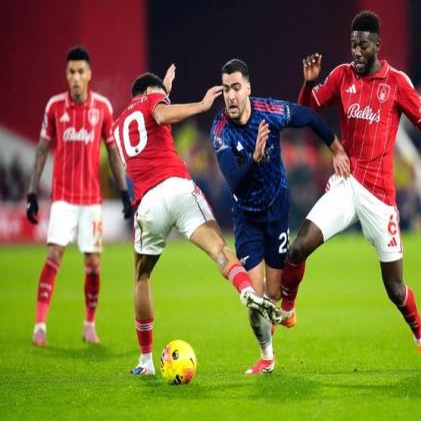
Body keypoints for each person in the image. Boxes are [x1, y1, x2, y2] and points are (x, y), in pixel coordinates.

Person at [280, 11, 421, 372]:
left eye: (363, 45)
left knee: (395, 289)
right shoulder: (341, 76)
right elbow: (305, 112)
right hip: (347, 183)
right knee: (298, 248)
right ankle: (288, 309)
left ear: (377, 44)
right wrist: (308, 84)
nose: (357, 51)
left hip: (380, 198)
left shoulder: (397, 83)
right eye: (353, 45)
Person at [112, 66, 279, 376]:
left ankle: (145, 362)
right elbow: (160, 113)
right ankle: (247, 290)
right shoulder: (152, 102)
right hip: (178, 187)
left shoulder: (118, 126)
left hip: (148, 204)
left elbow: (147, 124)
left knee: (141, 276)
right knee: (220, 251)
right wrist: (201, 106)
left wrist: (164, 91)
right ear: (149, 94)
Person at [210, 59, 350, 374]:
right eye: (226, 89)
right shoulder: (220, 129)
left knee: (273, 292)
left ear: (248, 88)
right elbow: (234, 182)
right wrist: (255, 157)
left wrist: (336, 148)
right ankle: (267, 357)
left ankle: (284, 305)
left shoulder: (269, 111)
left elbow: (308, 117)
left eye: (236, 88)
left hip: (276, 208)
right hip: (246, 217)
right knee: (255, 297)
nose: (230, 96)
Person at [27, 46, 132, 346]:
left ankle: (89, 324)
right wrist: (32, 191)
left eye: (80, 71)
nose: (75, 77)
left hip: (91, 201)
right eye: (71, 72)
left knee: (93, 263)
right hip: (63, 198)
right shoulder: (54, 107)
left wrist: (124, 191)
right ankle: (39, 325)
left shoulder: (102, 108)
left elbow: (113, 151)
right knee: (54, 255)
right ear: (67, 74)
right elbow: (42, 149)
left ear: (89, 74)